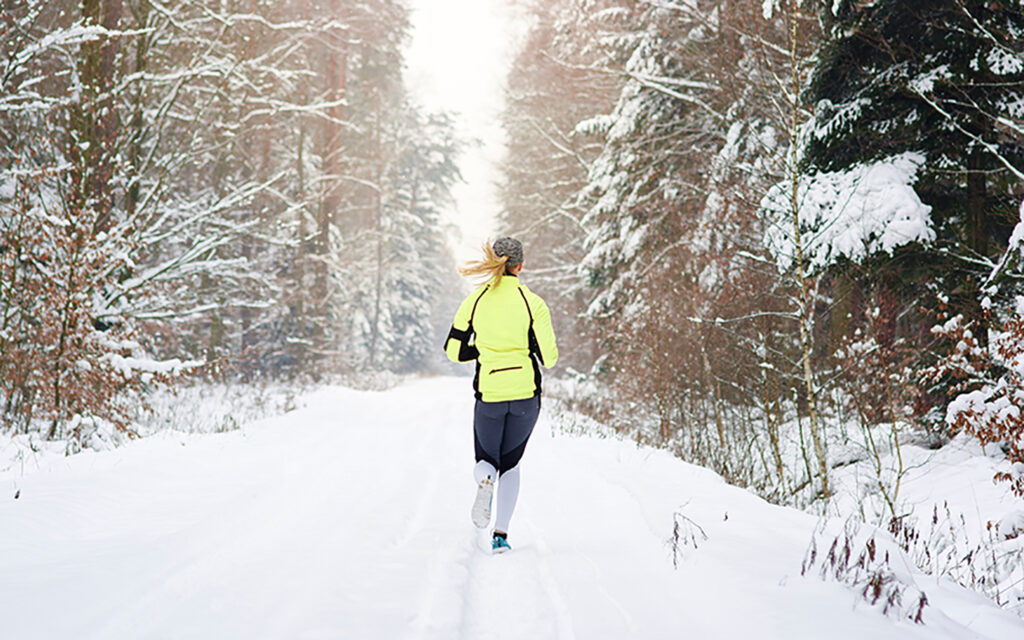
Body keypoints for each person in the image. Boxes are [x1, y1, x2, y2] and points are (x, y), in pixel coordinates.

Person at [444, 237, 558, 554]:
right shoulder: (532, 302)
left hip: (490, 393)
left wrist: (481, 349)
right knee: (512, 464)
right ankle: (501, 536)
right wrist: (527, 347)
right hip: (526, 395)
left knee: (486, 460)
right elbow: (549, 358)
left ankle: (485, 482)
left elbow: (453, 350)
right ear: (520, 266)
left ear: (492, 263)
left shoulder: (475, 301)